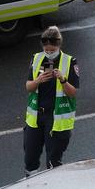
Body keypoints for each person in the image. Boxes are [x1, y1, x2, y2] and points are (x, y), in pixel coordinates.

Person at [24, 26, 79, 177]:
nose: (49, 53)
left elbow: (73, 92)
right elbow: (28, 87)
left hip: (56, 119)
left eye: (52, 50)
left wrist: (62, 79)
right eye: (46, 50)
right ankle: (30, 183)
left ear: (58, 45)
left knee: (53, 162)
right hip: (36, 117)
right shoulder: (36, 59)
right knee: (30, 158)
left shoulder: (70, 61)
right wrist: (38, 81)